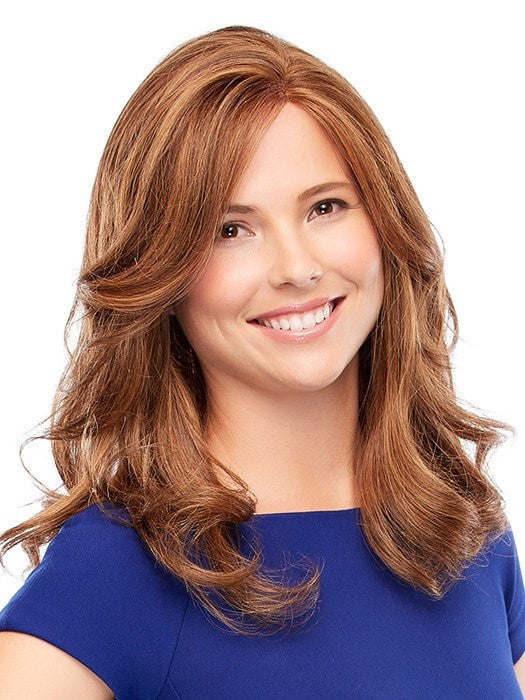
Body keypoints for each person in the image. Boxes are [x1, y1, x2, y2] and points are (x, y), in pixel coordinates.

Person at [0, 24, 523, 699]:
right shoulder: (118, 570)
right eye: (230, 230)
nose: (297, 267)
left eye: (325, 207)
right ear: (159, 273)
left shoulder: (465, 535)